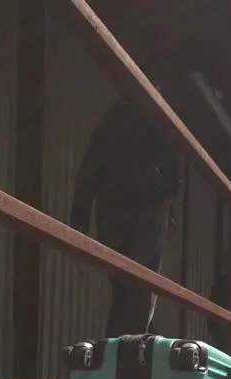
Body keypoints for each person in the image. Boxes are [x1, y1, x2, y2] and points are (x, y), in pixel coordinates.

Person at [71, 95, 182, 338]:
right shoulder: (154, 120)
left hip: (116, 209)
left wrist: (80, 213)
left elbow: (90, 168)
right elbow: (170, 170)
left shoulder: (114, 121)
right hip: (143, 210)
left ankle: (130, 342)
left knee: (125, 289)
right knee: (138, 289)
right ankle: (133, 346)